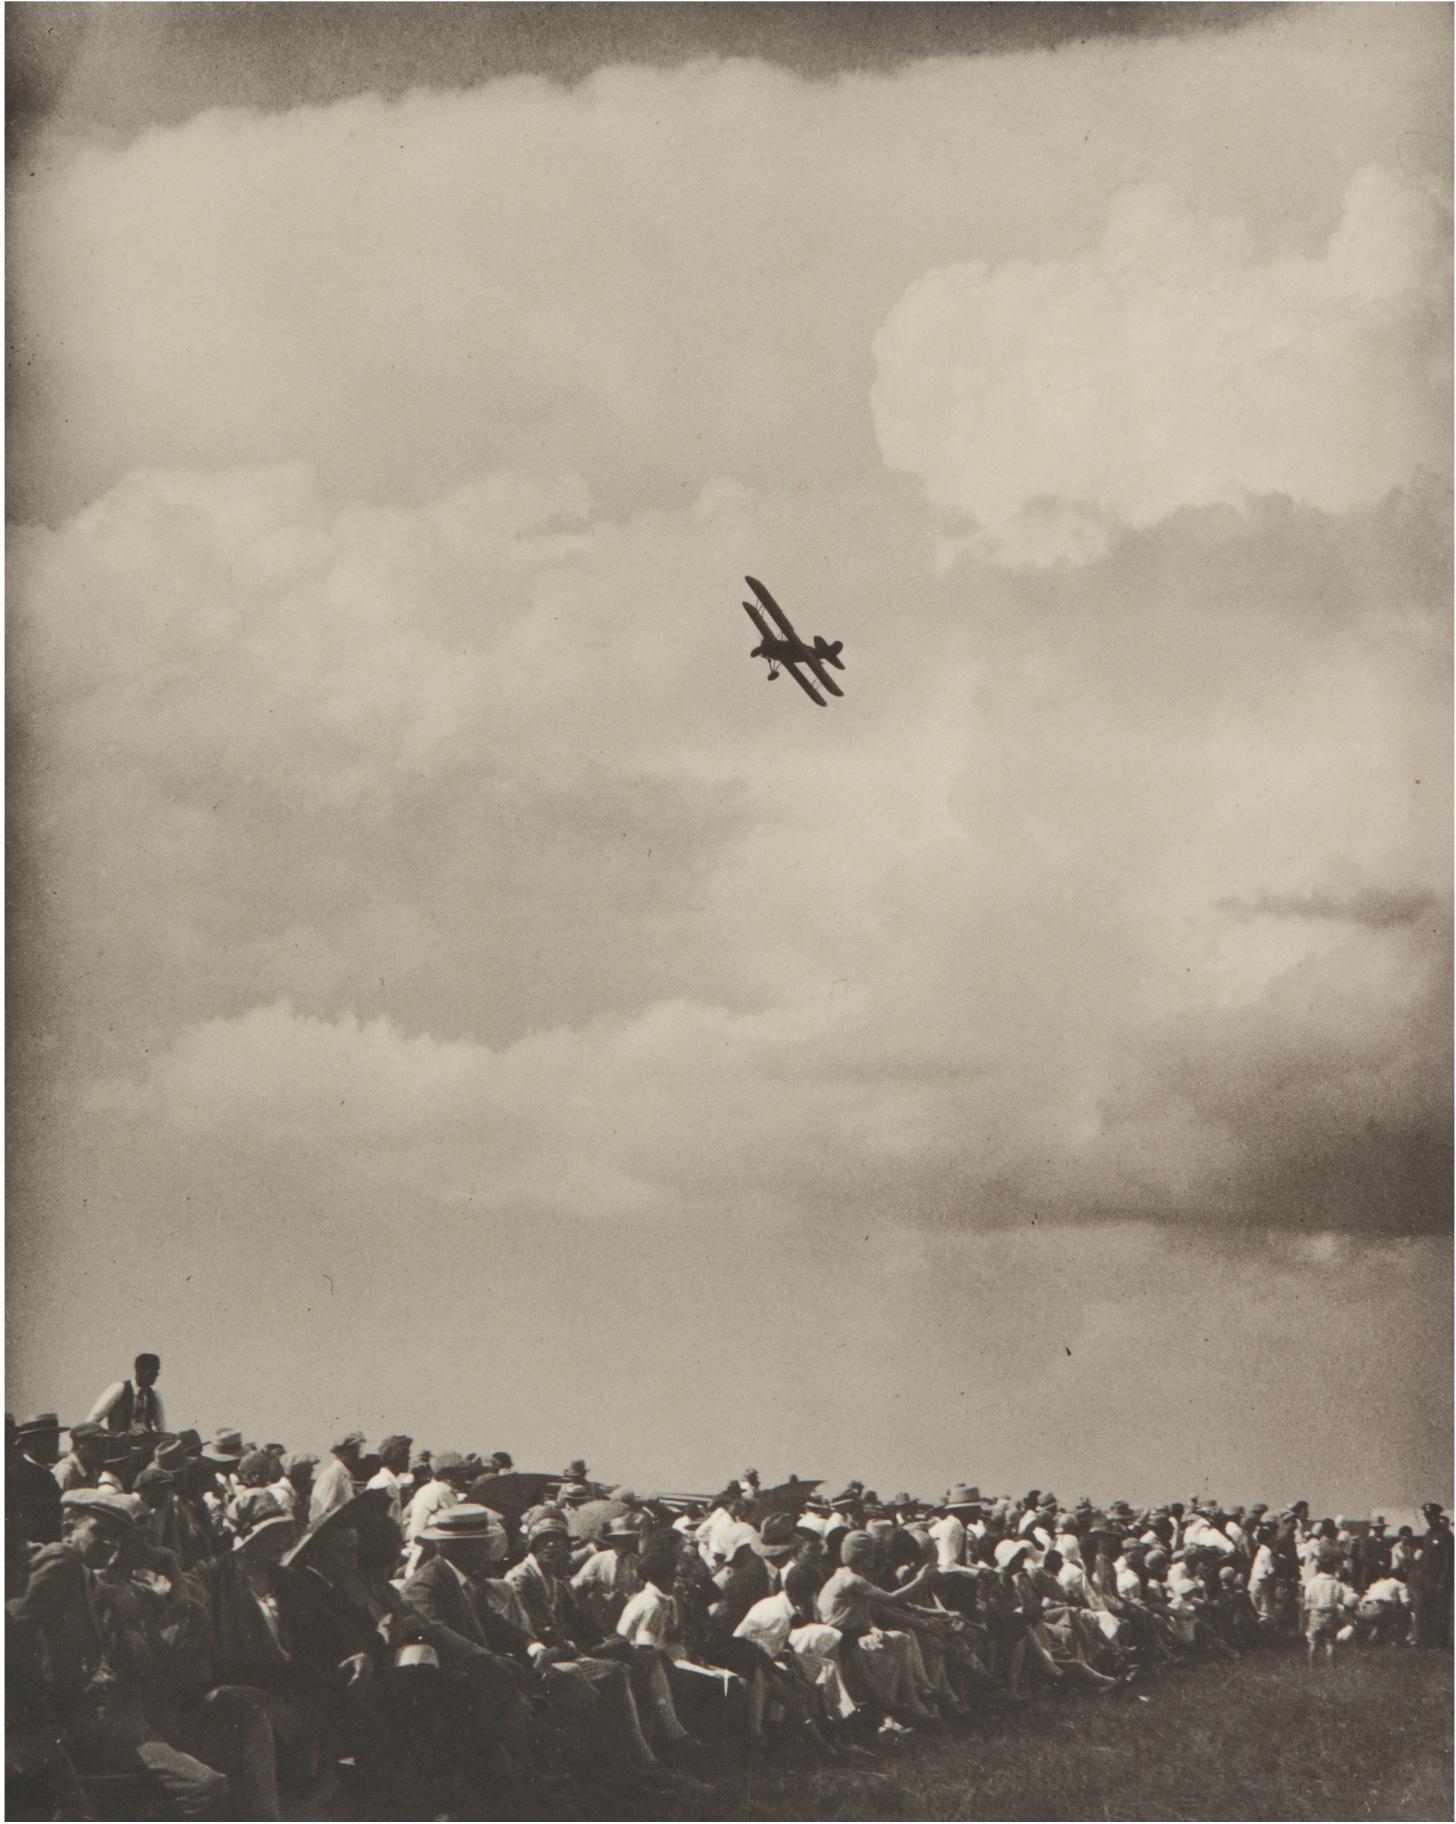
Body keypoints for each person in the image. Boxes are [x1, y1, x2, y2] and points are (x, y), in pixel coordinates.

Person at [10, 1489, 231, 1817]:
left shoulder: (89, 1582)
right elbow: (16, 1628)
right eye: (99, 1532)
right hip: (56, 1721)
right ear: (69, 1526)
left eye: (116, 1536)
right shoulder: (62, 1558)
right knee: (204, 1785)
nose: (110, 1544)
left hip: (82, 1717)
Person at [10, 1413, 65, 1545]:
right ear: (32, 1442)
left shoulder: (46, 1474)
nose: (56, 1445)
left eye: (56, 1438)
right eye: (49, 1439)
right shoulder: (17, 1475)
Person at [87, 1353, 166, 1435]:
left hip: (145, 1443)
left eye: (157, 1370)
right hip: (120, 1443)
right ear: (139, 1369)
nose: (157, 1374)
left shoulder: (154, 1395)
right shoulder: (119, 1389)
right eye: (153, 1370)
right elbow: (93, 1419)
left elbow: (161, 1427)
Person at [309, 1432, 365, 1526]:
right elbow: (318, 1515)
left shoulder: (345, 1476)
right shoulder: (331, 1475)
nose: (359, 1454)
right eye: (355, 1449)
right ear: (344, 1451)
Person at [365, 1435, 414, 1529]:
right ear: (395, 1457)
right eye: (406, 1455)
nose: (409, 1459)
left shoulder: (388, 1482)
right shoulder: (383, 1484)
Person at [53, 1422, 110, 1492]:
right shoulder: (66, 1472)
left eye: (105, 1444)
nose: (103, 1449)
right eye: (97, 1443)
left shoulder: (93, 1470)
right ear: (80, 1444)